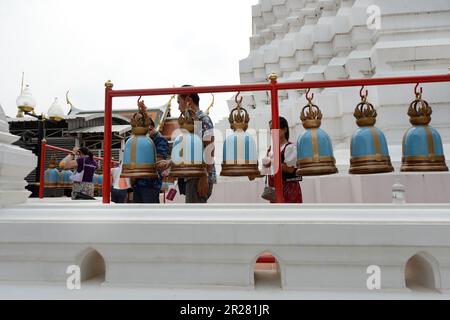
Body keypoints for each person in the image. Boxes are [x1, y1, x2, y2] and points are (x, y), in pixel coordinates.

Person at [173, 85, 216, 203]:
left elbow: (209, 148)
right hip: (194, 175)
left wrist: (204, 176)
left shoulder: (200, 121)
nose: (178, 107)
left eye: (179, 102)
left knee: (195, 217)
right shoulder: (193, 122)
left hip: (199, 177)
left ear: (188, 100)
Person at [132, 101, 170, 203]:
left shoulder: (159, 140)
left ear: (151, 128)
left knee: (150, 214)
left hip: (151, 184)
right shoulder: (141, 140)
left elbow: (158, 162)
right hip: (138, 182)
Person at [263, 117, 303, 203]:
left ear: (284, 129)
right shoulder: (270, 149)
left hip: (289, 189)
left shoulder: (290, 147)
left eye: (276, 128)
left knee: (290, 214)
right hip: (274, 190)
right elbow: (266, 171)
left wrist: (272, 163)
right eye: (271, 129)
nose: (272, 131)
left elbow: (290, 169)